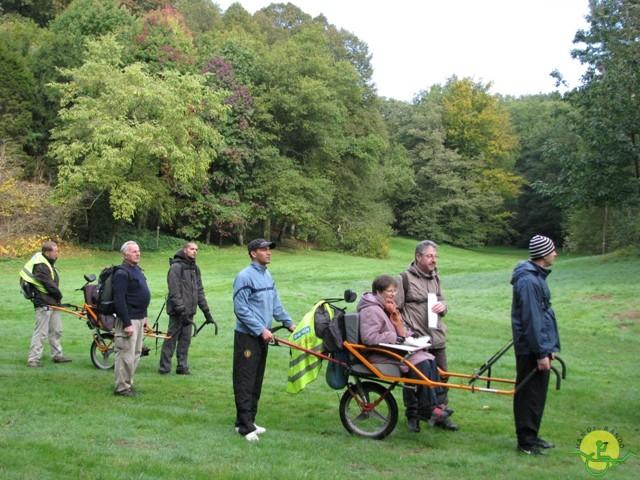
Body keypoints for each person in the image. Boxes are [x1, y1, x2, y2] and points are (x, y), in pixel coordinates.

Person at [358, 275, 449, 433]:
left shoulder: (386, 308)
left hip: (393, 351)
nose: (393, 294)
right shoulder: (372, 310)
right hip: (381, 355)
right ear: (378, 292)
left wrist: (409, 335)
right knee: (422, 363)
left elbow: (397, 329)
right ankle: (426, 408)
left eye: (394, 291)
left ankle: (433, 405)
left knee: (429, 360)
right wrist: (397, 338)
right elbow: (369, 337)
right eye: (389, 291)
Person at [232, 238, 296, 442]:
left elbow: (275, 304)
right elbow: (240, 308)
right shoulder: (244, 277)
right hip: (247, 337)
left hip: (262, 335)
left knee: (257, 380)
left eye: (269, 249)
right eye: (264, 250)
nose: (269, 252)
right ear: (253, 253)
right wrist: (260, 329)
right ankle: (245, 427)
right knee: (245, 379)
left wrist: (289, 323)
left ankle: (247, 420)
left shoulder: (267, 275)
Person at [394, 240, 458, 431]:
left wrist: (444, 306)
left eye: (435, 256)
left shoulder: (436, 277)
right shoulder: (404, 278)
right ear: (418, 257)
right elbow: (395, 310)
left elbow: (443, 300)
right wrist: (405, 334)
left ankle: (439, 414)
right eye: (430, 256)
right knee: (414, 379)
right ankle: (413, 415)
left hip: (436, 336)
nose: (433, 260)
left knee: (441, 377)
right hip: (417, 340)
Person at [511, 235, 560, 455]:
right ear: (543, 254)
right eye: (553, 250)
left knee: (537, 393)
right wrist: (541, 352)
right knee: (528, 393)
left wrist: (548, 348)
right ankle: (525, 442)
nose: (556, 253)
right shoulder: (529, 281)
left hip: (538, 346)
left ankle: (532, 434)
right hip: (531, 348)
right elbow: (532, 318)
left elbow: (542, 316)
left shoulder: (535, 277)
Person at [159, 242, 215, 375]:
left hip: (189, 312)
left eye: (196, 249)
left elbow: (199, 291)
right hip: (178, 312)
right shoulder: (176, 268)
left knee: (185, 340)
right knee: (171, 339)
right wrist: (181, 310)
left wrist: (207, 313)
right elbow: (174, 291)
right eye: (192, 249)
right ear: (184, 250)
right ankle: (164, 368)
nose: (195, 251)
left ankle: (182, 367)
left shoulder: (195, 268)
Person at [21, 241, 72, 367]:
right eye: (55, 252)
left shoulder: (46, 262)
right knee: (41, 332)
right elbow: (48, 284)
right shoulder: (40, 265)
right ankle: (33, 359)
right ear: (47, 253)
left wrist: (57, 298)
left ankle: (57, 355)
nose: (57, 254)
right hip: (43, 302)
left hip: (52, 301)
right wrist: (59, 295)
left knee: (56, 330)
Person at [113, 241, 150, 397]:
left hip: (139, 318)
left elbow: (141, 293)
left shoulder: (136, 270)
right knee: (125, 354)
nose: (138, 253)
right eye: (134, 251)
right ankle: (121, 388)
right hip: (129, 320)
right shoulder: (121, 273)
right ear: (125, 254)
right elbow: (119, 300)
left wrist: (145, 315)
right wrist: (127, 323)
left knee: (135, 353)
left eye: (138, 251)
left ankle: (128, 383)